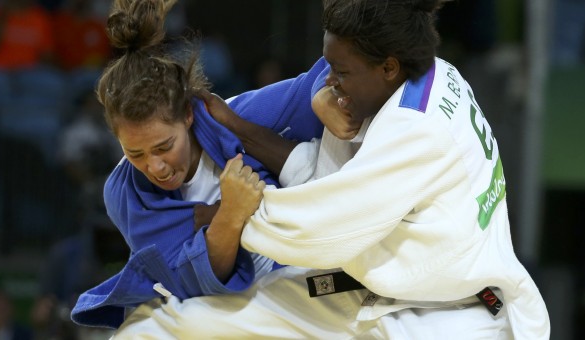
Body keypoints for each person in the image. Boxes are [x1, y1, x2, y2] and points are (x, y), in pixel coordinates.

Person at [114, 0, 551, 339]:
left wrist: (223, 215)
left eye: (340, 72)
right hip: (373, 292)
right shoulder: (428, 77)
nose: (329, 81)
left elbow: (317, 230)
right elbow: (321, 179)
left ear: (387, 67)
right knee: (160, 326)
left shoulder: (415, 129)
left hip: (448, 314)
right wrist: (241, 128)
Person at [70, 1, 375, 336]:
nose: (154, 166)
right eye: (135, 152)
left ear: (187, 116)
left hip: (312, 270)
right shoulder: (127, 194)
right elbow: (196, 282)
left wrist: (323, 95)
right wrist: (230, 213)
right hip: (227, 304)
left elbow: (311, 83)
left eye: (164, 147)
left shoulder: (228, 117)